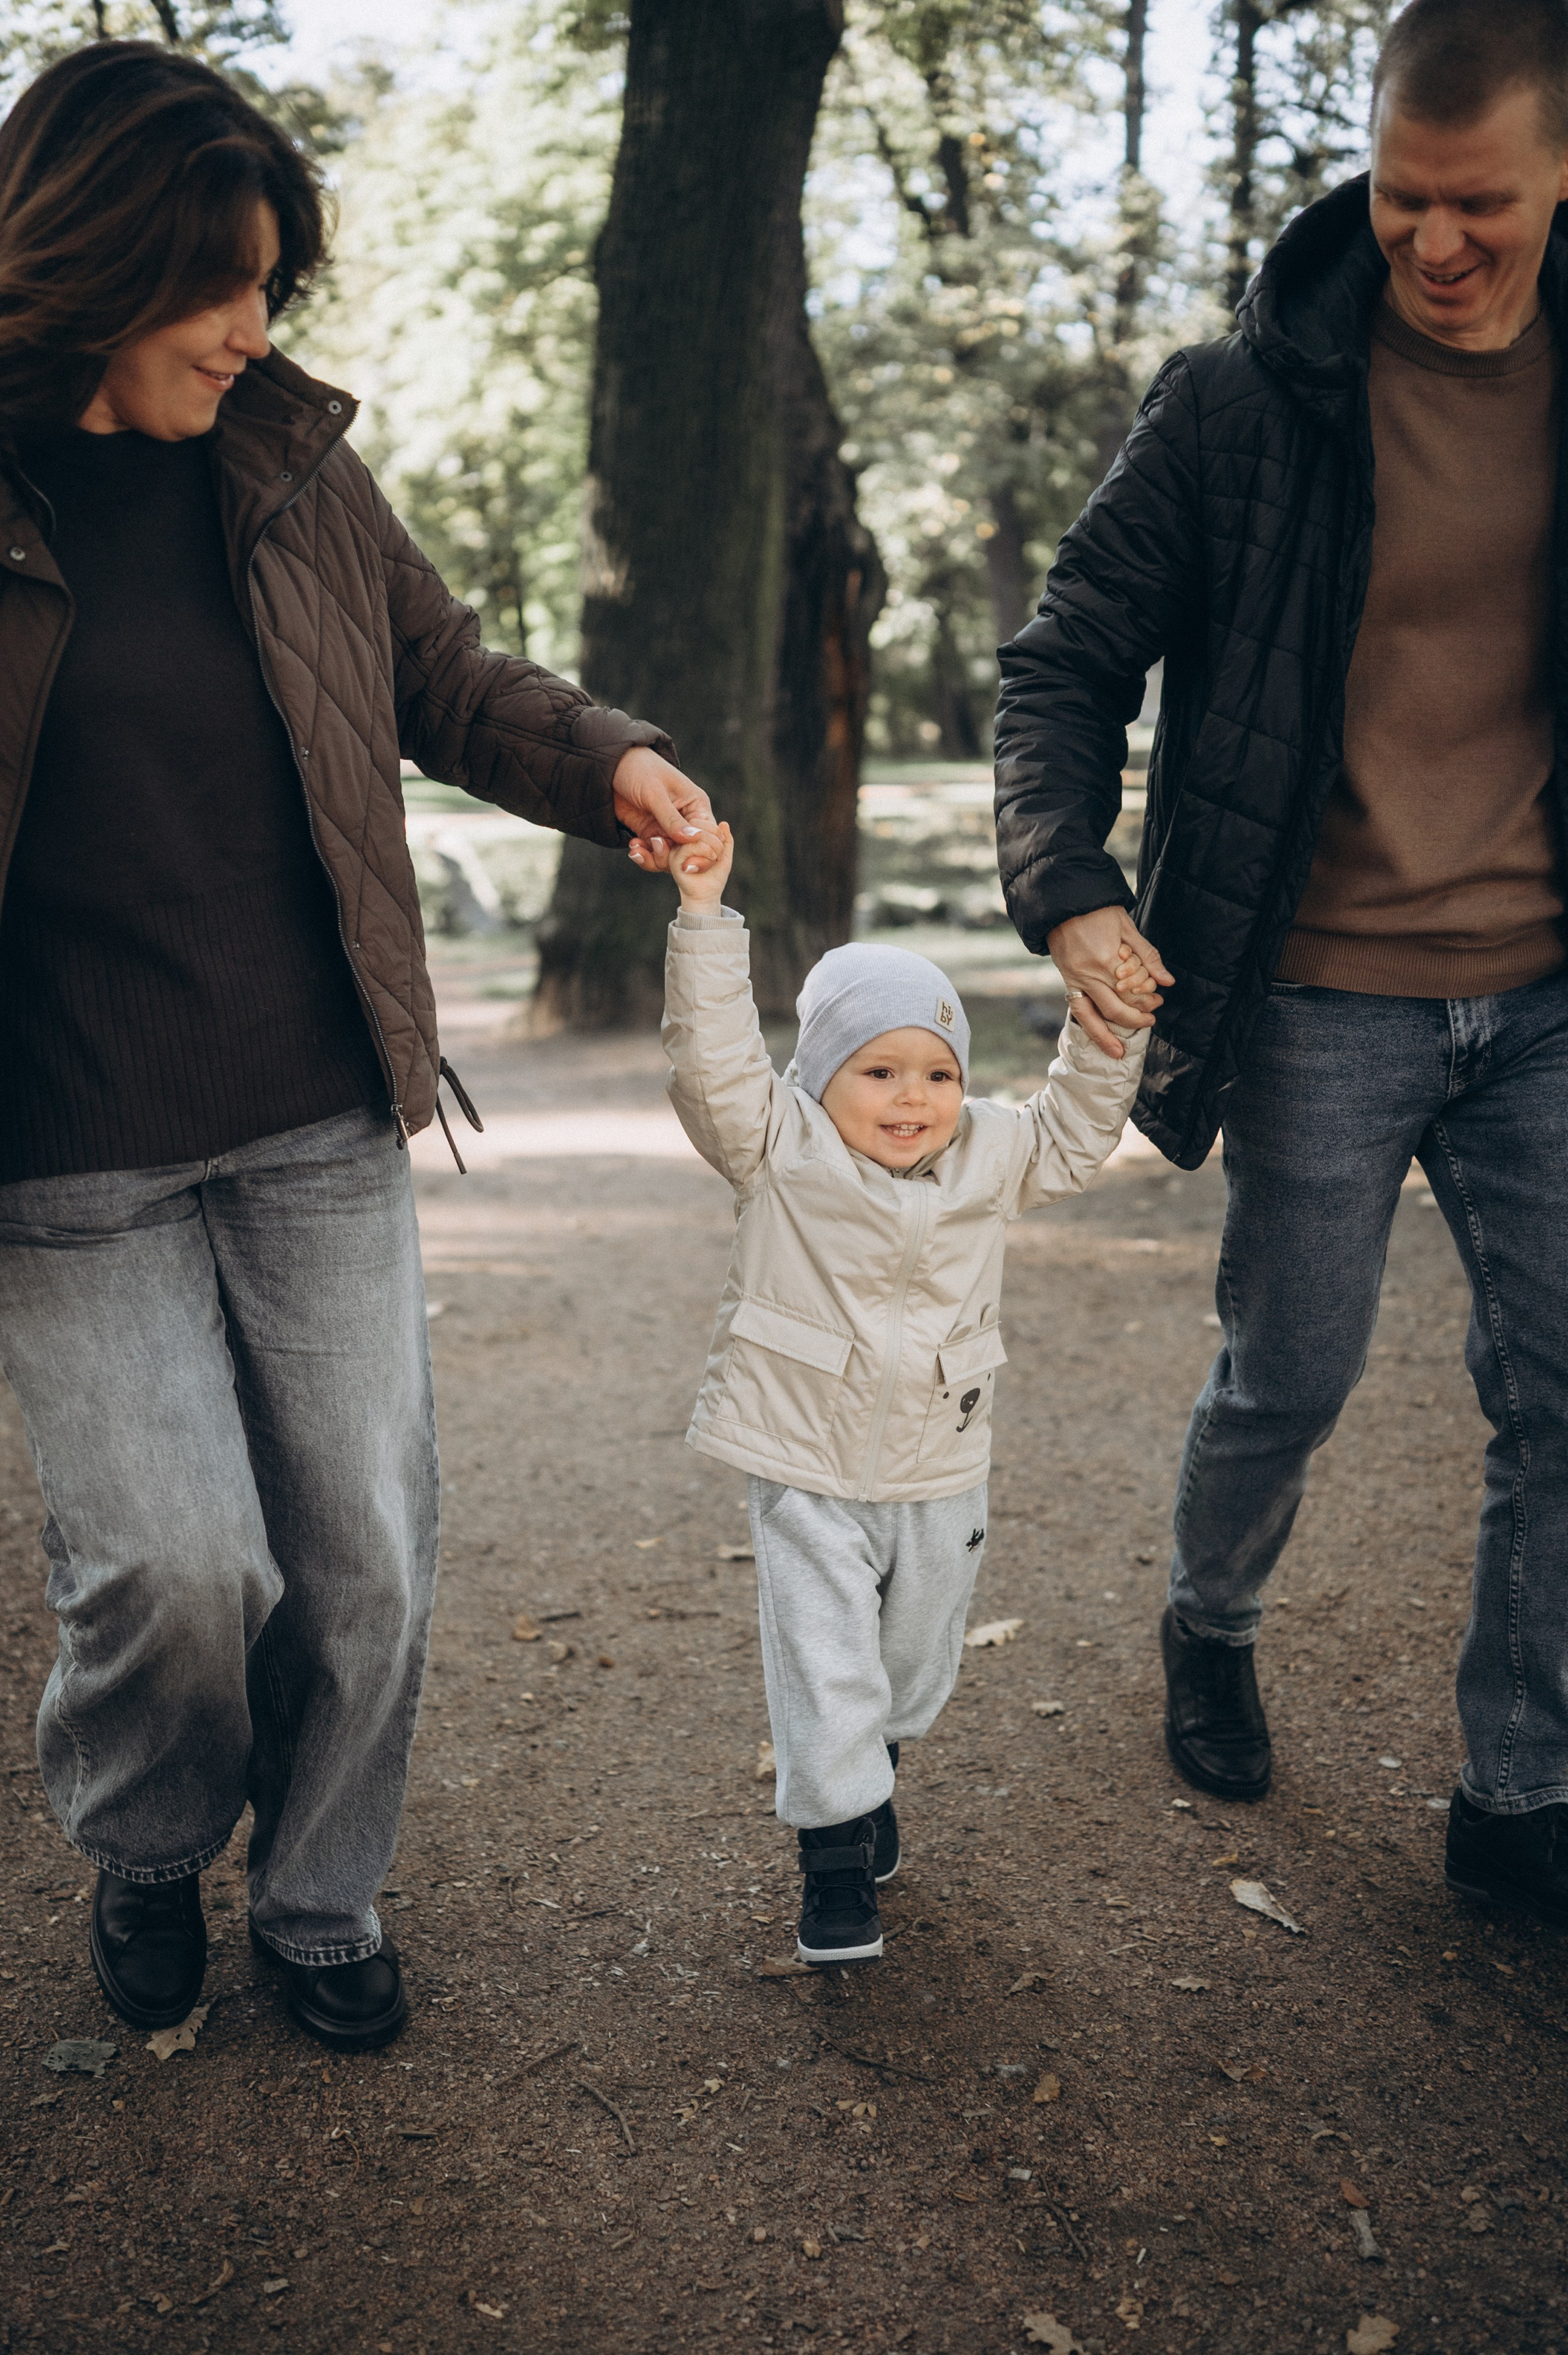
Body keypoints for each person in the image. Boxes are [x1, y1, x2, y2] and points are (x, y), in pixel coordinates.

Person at [0, 41, 709, 2050]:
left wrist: (611, 762)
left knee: (366, 1553)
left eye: (269, 285)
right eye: (222, 285)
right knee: (172, 1566)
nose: (256, 328)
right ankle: (151, 1837)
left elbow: (444, 673)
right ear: (99, 262)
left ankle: (320, 1891)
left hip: (312, 1100)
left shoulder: (288, 463)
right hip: (65, 1140)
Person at [993, 0, 1568, 1926]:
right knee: (1290, 1371)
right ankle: (1212, 1616)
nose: (1436, 240)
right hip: (1324, 984)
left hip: (1547, 991)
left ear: (1562, 174)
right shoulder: (1243, 402)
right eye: (1405, 194)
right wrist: (1071, 887)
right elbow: (1067, 657)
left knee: (1564, 1390)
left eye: (1482, 201)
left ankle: (1523, 1789)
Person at [659, 820, 1152, 1964]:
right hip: (807, 1463)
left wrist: (1110, 1030)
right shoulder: (778, 1146)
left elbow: (1078, 1135)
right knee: (827, 1661)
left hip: (942, 1463)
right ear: (819, 1076)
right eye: (877, 1072)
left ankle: (872, 1769)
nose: (912, 1098)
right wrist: (703, 919)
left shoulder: (990, 1153)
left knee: (913, 1665)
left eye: (938, 1074)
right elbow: (713, 1060)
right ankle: (833, 1861)